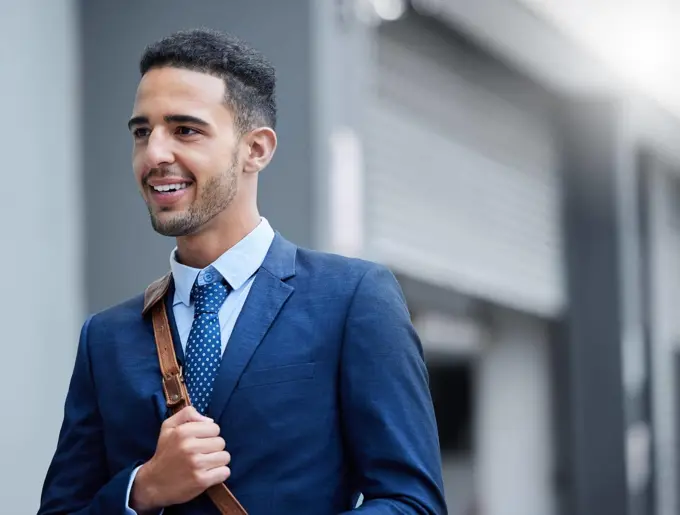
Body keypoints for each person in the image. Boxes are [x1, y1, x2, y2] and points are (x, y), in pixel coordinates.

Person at [39, 28, 447, 515]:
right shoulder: (105, 339)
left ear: (256, 149)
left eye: (185, 130)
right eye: (142, 132)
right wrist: (141, 490)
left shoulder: (353, 299)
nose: (154, 155)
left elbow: (412, 503)